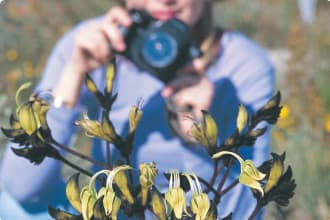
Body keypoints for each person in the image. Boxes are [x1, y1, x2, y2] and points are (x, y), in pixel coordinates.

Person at [0, 0, 275, 219]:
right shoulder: (91, 44)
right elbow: (21, 189)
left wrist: (200, 137)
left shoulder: (241, 66)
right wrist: (70, 82)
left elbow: (245, 207)